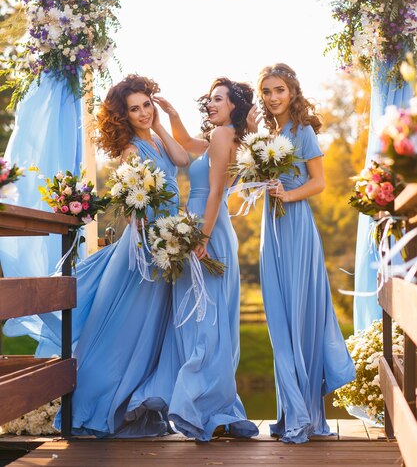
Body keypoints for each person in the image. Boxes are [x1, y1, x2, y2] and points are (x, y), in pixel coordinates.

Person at [55, 74, 189, 437]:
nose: (144, 113)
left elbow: (183, 157)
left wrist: (161, 123)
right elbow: (134, 205)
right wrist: (148, 241)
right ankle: (94, 405)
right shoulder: (132, 150)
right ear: (124, 115)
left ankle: (135, 404)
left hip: (166, 245)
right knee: (125, 329)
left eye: (147, 105)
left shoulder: (157, 142)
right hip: (145, 248)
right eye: (135, 109)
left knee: (150, 330)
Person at [130, 77, 259, 442]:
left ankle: (202, 405)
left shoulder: (223, 136)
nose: (211, 104)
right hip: (208, 227)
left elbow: (216, 189)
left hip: (208, 229)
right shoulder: (223, 136)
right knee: (205, 316)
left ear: (234, 104)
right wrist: (166, 116)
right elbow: (185, 146)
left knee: (202, 317)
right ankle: (207, 405)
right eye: (210, 99)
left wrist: (201, 236)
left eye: (219, 99)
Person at [256, 63, 355, 444]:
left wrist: (288, 194)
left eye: (279, 89)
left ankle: (305, 415)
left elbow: (320, 182)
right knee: (279, 318)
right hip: (272, 228)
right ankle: (289, 413)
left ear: (292, 92)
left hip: (296, 226)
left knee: (299, 318)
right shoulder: (270, 134)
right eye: (267, 91)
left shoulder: (303, 132)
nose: (273, 96)